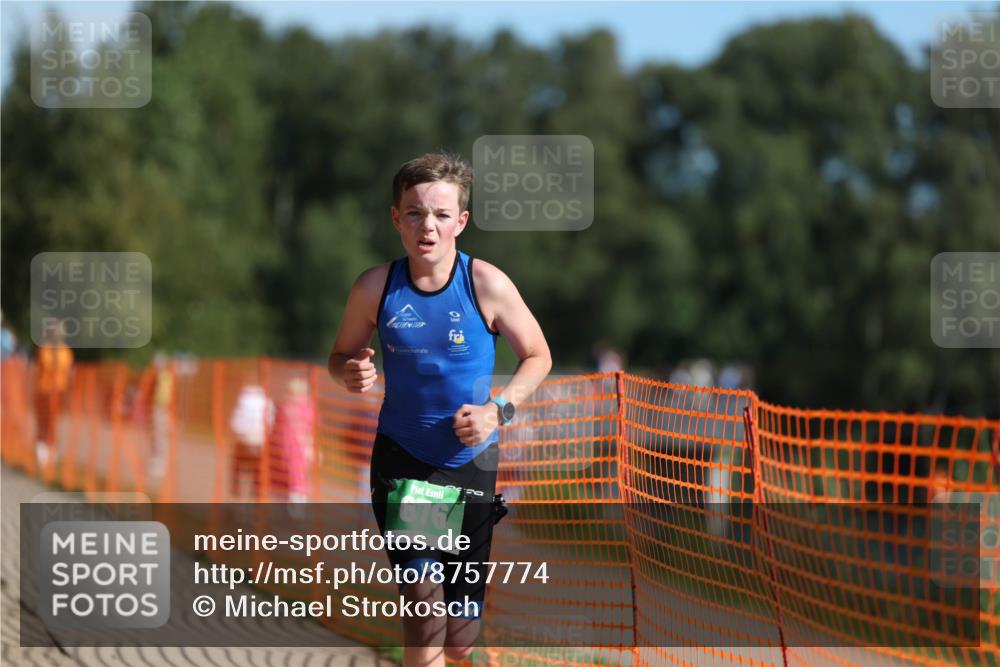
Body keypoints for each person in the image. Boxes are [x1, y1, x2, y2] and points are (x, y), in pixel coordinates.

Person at [327, 152, 551, 666]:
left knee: (460, 635)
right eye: (414, 213)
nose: (427, 226)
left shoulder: (486, 284)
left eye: (441, 214)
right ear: (396, 218)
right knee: (424, 607)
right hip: (406, 461)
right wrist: (349, 371)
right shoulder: (375, 287)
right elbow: (339, 358)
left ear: (461, 222)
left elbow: (539, 356)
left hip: (471, 465)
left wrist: (497, 411)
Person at [267, 377, 316, 503]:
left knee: (296, 481)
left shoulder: (300, 408)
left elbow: (308, 431)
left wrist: (309, 448)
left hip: (295, 451)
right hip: (286, 451)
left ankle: (296, 507)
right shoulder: (286, 407)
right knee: (291, 480)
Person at [34, 321, 74, 469]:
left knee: (54, 422)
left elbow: (68, 373)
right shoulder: (44, 350)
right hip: (44, 391)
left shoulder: (66, 351)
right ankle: (41, 449)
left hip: (59, 392)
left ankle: (51, 448)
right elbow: (42, 368)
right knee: (43, 421)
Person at [229, 379, 275, 498]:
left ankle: (236, 488)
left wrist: (239, 433)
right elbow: (271, 423)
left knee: (236, 462)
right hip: (261, 441)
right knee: (260, 465)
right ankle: (256, 489)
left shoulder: (243, 400)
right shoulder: (268, 401)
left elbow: (235, 423)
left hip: (245, 440)